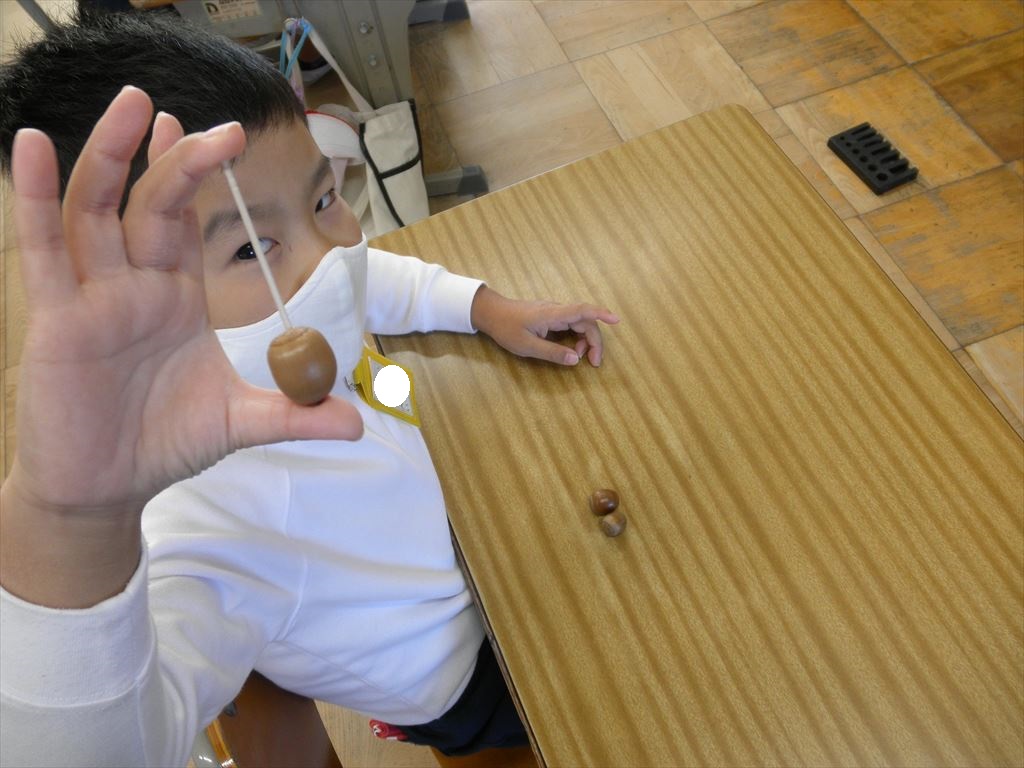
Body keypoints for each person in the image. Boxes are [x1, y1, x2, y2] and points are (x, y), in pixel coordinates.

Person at [0, 9, 618, 767]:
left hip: (474, 544)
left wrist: (483, 307)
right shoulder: (210, 518)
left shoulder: (295, 292)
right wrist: (66, 521)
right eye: (251, 247)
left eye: (323, 198)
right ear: (134, 290)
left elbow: (361, 275)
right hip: (459, 678)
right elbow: (107, 746)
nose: (326, 252)